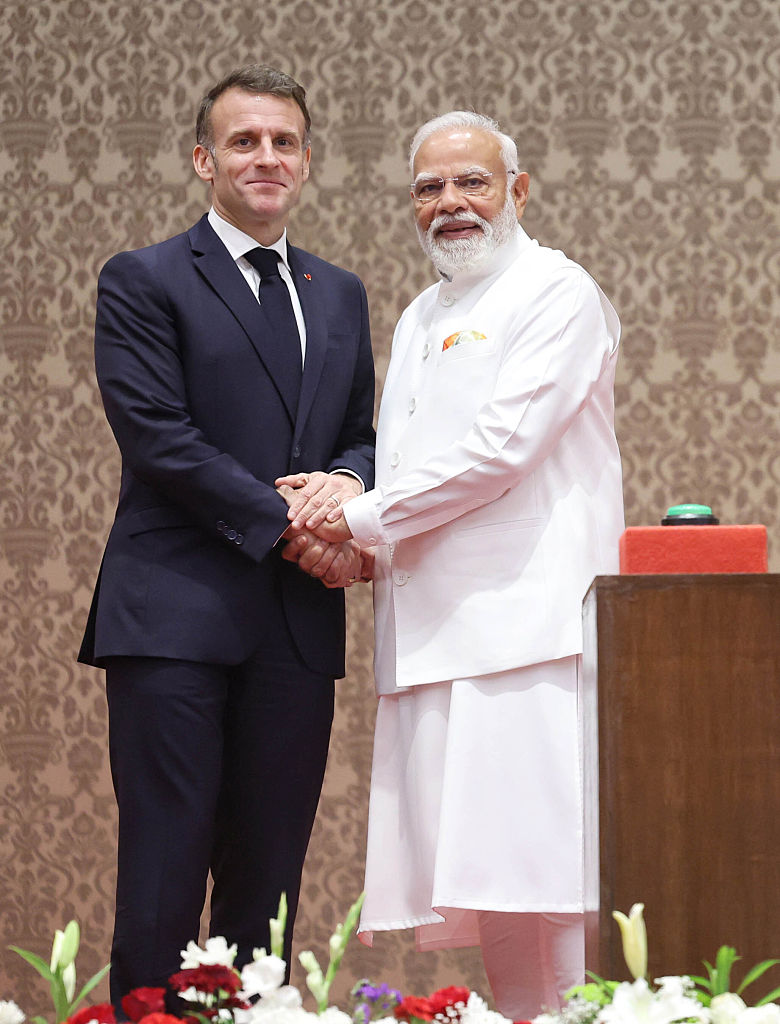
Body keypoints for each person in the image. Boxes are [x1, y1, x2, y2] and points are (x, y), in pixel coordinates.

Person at [279, 111, 624, 1020]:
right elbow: (410, 468)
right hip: (434, 633)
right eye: (428, 188)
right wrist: (354, 525)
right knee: (490, 892)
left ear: (517, 191)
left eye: (471, 182)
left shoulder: (558, 291)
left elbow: (501, 451)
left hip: (531, 632)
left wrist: (349, 516)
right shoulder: (421, 314)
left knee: (552, 880)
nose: (449, 204)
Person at [78, 63, 375, 1008]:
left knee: (269, 883)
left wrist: (349, 487)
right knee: (167, 869)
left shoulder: (341, 293)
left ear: (307, 161)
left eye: (284, 141)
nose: (266, 157)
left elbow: (364, 435)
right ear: (205, 159)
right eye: (244, 140)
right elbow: (158, 436)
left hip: (294, 626)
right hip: (175, 617)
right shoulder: (143, 278)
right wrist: (294, 517)